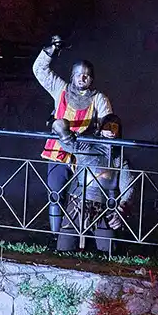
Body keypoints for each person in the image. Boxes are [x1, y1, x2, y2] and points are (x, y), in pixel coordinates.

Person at [33, 35, 113, 236]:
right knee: (55, 194)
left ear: (91, 79)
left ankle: (79, 236)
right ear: (72, 76)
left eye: (86, 76)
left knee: (86, 198)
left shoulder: (99, 99)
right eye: (78, 74)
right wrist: (51, 50)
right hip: (58, 151)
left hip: (85, 154)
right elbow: (40, 70)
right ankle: (56, 236)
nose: (82, 78)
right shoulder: (60, 89)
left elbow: (108, 120)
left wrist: (107, 129)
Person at [58, 114, 136, 252]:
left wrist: (121, 209)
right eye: (108, 126)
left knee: (109, 250)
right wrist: (62, 129)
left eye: (115, 127)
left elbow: (128, 187)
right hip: (78, 201)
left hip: (105, 207)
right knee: (65, 247)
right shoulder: (87, 146)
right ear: (101, 128)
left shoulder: (119, 158)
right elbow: (69, 144)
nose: (111, 130)